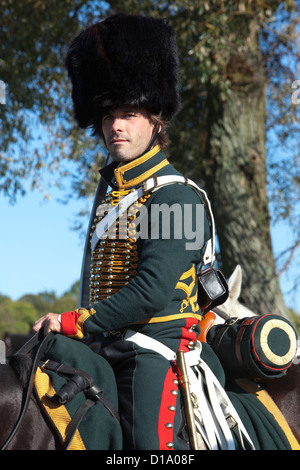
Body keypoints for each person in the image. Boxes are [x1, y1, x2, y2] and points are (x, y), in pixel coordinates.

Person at [33, 13, 298, 451]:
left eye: (129, 114)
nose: (116, 125)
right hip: (108, 345)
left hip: (157, 352)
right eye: (108, 115)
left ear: (156, 121)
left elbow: (153, 290)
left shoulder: (175, 196)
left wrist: (73, 321)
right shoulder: (118, 196)